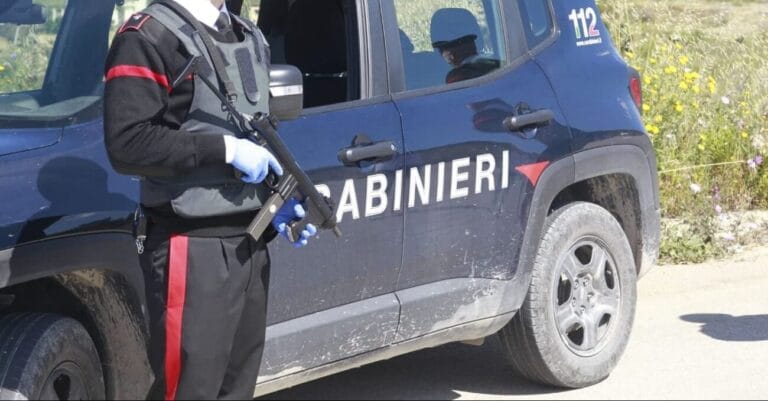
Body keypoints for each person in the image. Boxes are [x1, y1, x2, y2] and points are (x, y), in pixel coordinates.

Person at [103, 0, 316, 399]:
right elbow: (127, 143)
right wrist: (226, 151)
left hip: (250, 243)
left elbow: (256, 130)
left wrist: (277, 201)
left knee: (237, 389)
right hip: (191, 248)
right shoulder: (148, 36)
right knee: (190, 390)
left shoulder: (247, 35)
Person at [429, 8, 500, 84]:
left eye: (441, 50)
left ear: (450, 55)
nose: (441, 54)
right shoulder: (500, 66)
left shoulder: (457, 78)